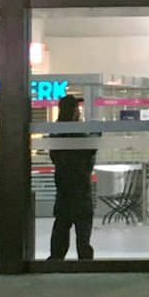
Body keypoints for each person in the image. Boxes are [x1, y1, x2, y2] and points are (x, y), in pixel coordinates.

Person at [46, 92, 97, 261]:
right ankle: (85, 260)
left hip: (63, 185)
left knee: (62, 224)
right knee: (83, 227)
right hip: (80, 186)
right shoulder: (76, 132)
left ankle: (56, 259)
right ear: (73, 110)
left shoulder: (56, 131)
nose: (79, 111)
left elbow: (55, 156)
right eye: (77, 108)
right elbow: (89, 150)